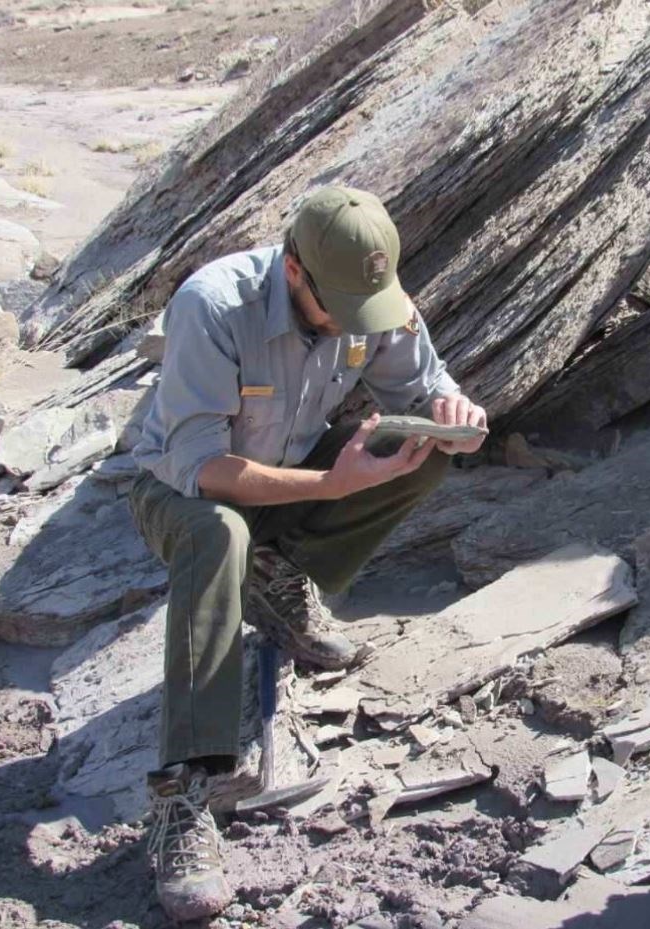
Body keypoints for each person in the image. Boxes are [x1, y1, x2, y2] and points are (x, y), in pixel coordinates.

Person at [127, 185, 488, 921]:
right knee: (219, 533)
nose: (360, 322)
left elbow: (424, 383)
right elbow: (201, 467)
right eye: (342, 308)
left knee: (419, 449)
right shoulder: (213, 305)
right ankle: (185, 795)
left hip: (280, 484)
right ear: (294, 269)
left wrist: (460, 417)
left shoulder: (369, 292)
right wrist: (331, 480)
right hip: (186, 495)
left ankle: (275, 578)